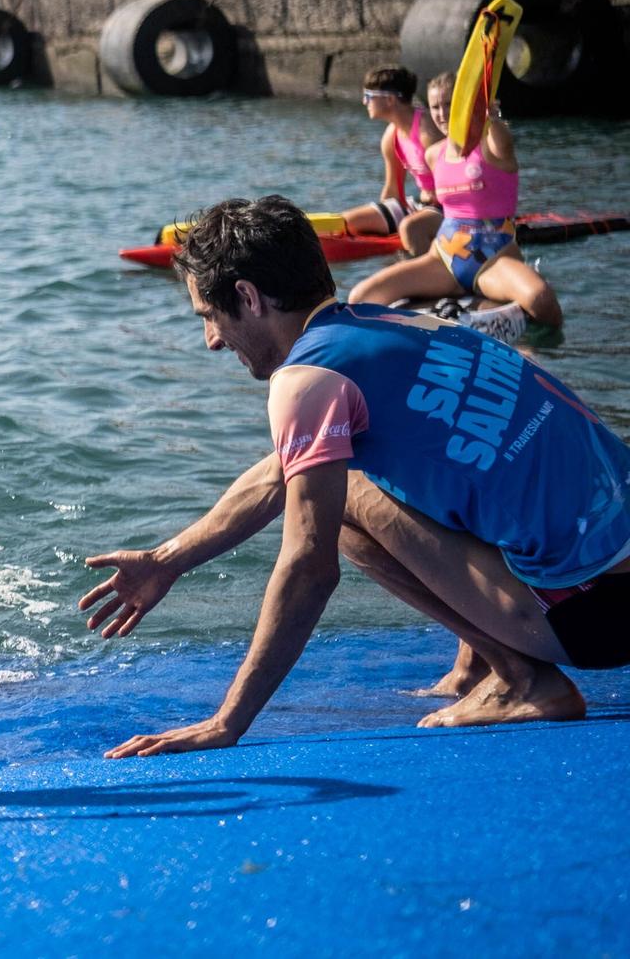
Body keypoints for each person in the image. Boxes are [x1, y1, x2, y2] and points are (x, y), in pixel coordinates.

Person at [83, 196, 629, 758]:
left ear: (247, 297)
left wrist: (227, 721)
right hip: (613, 579)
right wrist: (166, 560)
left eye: (209, 317)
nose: (213, 341)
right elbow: (278, 475)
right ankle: (484, 660)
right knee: (368, 470)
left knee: (344, 502)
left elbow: (309, 568)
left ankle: (522, 678)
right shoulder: (391, 323)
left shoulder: (306, 380)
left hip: (599, 614)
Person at [347, 70, 562, 336]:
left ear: (466, 104)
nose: (441, 113)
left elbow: (503, 142)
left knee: (542, 300)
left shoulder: (491, 144)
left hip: (493, 259)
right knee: (360, 298)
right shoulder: (434, 154)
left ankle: (553, 354)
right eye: (435, 106)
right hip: (444, 258)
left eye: (449, 104)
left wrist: (491, 118)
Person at [338, 65, 441, 253]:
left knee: (410, 228)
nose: (364, 102)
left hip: (447, 207)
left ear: (390, 99)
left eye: (369, 97)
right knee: (345, 222)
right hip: (420, 205)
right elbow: (393, 189)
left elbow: (454, 177)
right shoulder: (391, 136)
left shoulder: (427, 130)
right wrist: (383, 220)